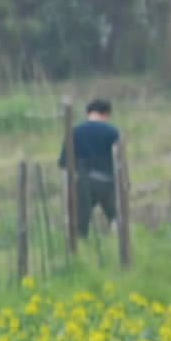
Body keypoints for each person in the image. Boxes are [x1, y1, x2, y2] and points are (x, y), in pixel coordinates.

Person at [66, 97, 122, 241]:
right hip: (108, 182)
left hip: (82, 183)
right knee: (116, 217)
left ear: (88, 112)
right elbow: (120, 161)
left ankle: (79, 248)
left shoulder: (74, 132)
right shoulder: (112, 132)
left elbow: (64, 162)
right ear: (106, 113)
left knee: (80, 222)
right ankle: (118, 246)